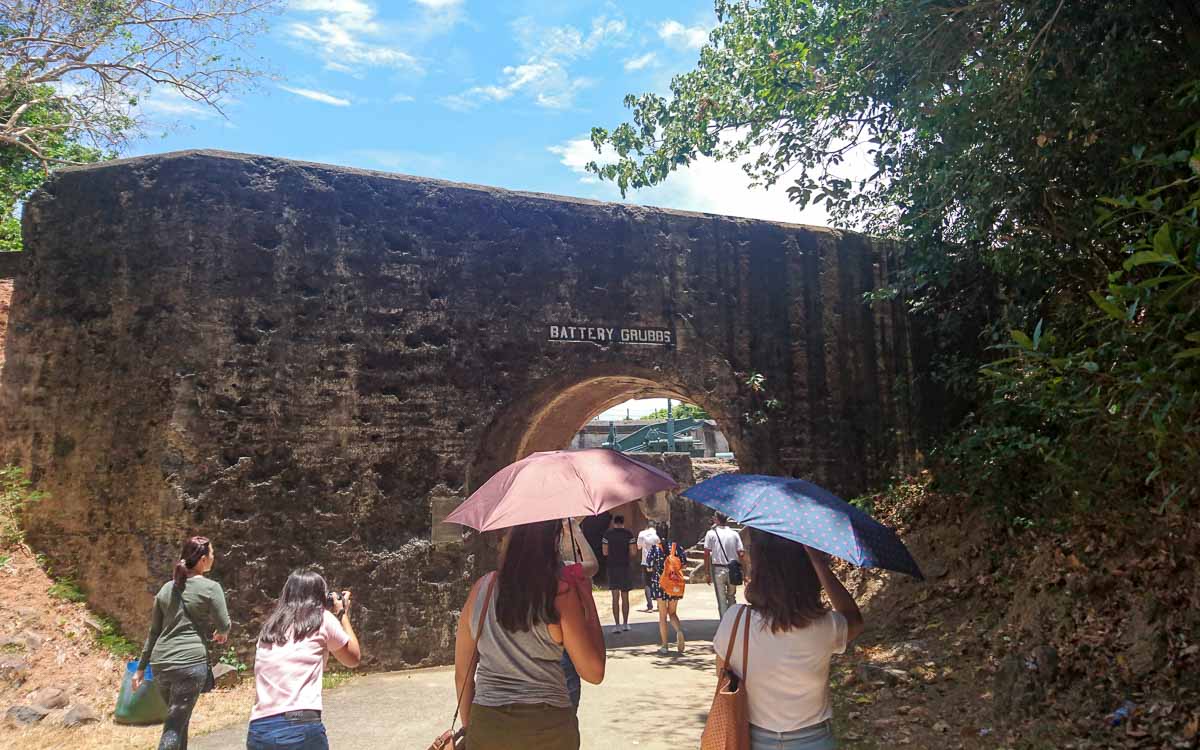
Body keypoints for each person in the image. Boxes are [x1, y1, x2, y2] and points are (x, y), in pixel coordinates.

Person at [455, 520, 606, 749]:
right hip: (547, 727)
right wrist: (588, 603)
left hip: (487, 723)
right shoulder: (559, 593)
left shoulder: (481, 589)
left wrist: (471, 728)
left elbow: (462, 675)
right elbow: (594, 672)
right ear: (552, 542)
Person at [712, 531, 864, 750]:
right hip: (815, 741)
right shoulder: (826, 626)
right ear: (807, 574)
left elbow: (722, 676)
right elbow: (855, 619)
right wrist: (818, 563)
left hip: (752, 740)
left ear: (760, 570)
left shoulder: (735, 620)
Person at [246, 569, 362, 749]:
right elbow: (353, 658)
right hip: (299, 727)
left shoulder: (270, 627)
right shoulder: (322, 619)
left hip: (259, 729)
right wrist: (343, 615)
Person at [134, 536, 231, 750]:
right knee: (174, 725)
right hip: (188, 664)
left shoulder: (166, 589)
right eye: (212, 554)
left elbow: (153, 632)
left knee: (179, 720)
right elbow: (224, 623)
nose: (214, 558)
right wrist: (222, 633)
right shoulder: (210, 588)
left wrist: (140, 668)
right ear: (203, 560)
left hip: (160, 665)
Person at [558, 518, 598, 712]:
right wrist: (575, 531)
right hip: (561, 670)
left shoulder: (500, 583)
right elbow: (592, 565)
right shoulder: (564, 574)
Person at [644, 523, 688, 655]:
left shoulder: (655, 549)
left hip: (660, 584)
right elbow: (684, 565)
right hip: (674, 584)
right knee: (672, 613)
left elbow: (649, 567)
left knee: (662, 616)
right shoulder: (676, 547)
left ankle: (664, 645)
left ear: (657, 534)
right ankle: (679, 631)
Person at [704, 512, 746, 619]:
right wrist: (745, 572)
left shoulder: (711, 534)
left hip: (718, 569)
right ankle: (733, 622)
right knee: (732, 596)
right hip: (733, 569)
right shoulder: (734, 533)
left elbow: (706, 553)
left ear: (717, 520)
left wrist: (707, 573)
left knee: (722, 599)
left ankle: (724, 623)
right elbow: (741, 553)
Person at [601, 515, 637, 632]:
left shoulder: (607, 535)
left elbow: (605, 552)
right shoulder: (629, 534)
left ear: (613, 523)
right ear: (623, 522)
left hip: (612, 567)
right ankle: (626, 623)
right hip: (625, 567)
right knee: (625, 596)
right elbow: (633, 551)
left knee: (615, 597)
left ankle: (617, 625)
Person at [636, 521, 660, 612]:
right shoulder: (657, 534)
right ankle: (659, 604)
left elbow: (638, 547)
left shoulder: (642, 534)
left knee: (647, 583)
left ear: (647, 526)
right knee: (657, 582)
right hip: (656, 562)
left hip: (645, 562)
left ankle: (650, 606)